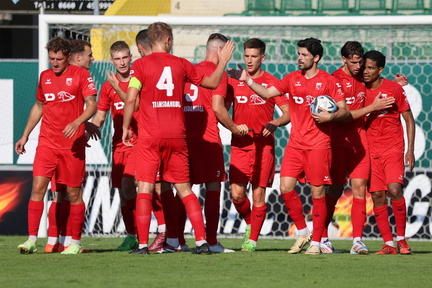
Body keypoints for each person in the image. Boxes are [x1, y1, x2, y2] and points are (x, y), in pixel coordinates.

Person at [122, 22, 234, 255]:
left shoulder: (140, 65)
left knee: (145, 187)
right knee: (184, 189)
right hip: (177, 135)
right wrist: (223, 61)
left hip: (150, 135)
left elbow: (131, 98)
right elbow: (211, 83)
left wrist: (126, 126)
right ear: (168, 40)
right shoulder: (181, 64)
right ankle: (202, 242)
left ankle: (143, 245)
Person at [238, 37, 350, 255]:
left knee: (317, 192)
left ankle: (316, 242)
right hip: (295, 145)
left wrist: (331, 116)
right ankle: (304, 231)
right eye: (298, 54)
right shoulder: (292, 78)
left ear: (316, 58)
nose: (299, 58)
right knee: (286, 187)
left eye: (304, 55)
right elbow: (269, 93)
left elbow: (344, 110)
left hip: (319, 145)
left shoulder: (328, 81)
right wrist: (247, 81)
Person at [16, 36, 97, 254]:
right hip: (47, 143)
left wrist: (78, 122)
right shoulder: (45, 77)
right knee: (38, 189)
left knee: (73, 194)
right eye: (51, 58)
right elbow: (39, 106)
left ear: (68, 57)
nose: (54, 62)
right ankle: (32, 240)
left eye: (59, 59)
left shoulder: (81, 74)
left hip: (71, 146)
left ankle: (75, 244)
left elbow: (92, 105)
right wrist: (25, 135)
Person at [321, 41, 396, 254]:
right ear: (344, 59)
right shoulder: (334, 80)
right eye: (353, 62)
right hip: (338, 142)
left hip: (360, 141)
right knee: (334, 191)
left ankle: (357, 240)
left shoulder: (363, 76)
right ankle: (322, 237)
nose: (358, 66)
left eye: (360, 62)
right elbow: (344, 117)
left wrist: (397, 84)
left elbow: (379, 84)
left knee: (360, 190)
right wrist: (372, 108)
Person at [226, 38, 289, 252]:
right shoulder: (234, 80)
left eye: (254, 56)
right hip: (240, 146)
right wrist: (234, 126)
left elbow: (288, 114)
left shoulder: (272, 82)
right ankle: (252, 223)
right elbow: (222, 111)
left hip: (264, 147)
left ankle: (251, 240)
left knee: (258, 195)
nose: (249, 60)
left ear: (263, 57)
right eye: (246, 56)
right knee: (236, 194)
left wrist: (275, 122)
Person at [182, 33, 243, 253]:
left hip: (185, 139)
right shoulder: (219, 74)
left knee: (183, 189)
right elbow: (218, 108)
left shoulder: (189, 70)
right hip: (208, 139)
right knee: (213, 187)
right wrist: (235, 128)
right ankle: (211, 241)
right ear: (220, 50)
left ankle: (176, 239)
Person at [44, 38, 97, 253]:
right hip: (67, 146)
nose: (92, 58)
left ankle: (55, 241)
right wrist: (79, 122)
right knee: (73, 194)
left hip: (53, 144)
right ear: (76, 57)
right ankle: (71, 242)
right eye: (89, 55)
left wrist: (84, 123)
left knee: (60, 194)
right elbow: (88, 105)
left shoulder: (65, 76)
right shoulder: (79, 76)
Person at [362, 50, 415, 255]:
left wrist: (409, 150)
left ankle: (402, 239)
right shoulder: (360, 90)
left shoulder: (393, 89)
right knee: (377, 195)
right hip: (370, 150)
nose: (366, 72)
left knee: (394, 190)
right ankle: (388, 244)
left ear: (380, 69)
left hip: (393, 148)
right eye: (364, 67)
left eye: (371, 68)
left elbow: (409, 120)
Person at [90, 41, 140, 251]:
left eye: (125, 57)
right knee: (123, 192)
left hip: (141, 143)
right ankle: (132, 235)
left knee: (147, 189)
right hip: (119, 146)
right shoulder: (107, 86)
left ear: (131, 57)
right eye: (117, 59)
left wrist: (118, 87)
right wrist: (88, 128)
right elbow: (101, 115)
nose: (121, 62)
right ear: (112, 61)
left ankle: (162, 233)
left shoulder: (139, 80)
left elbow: (134, 104)